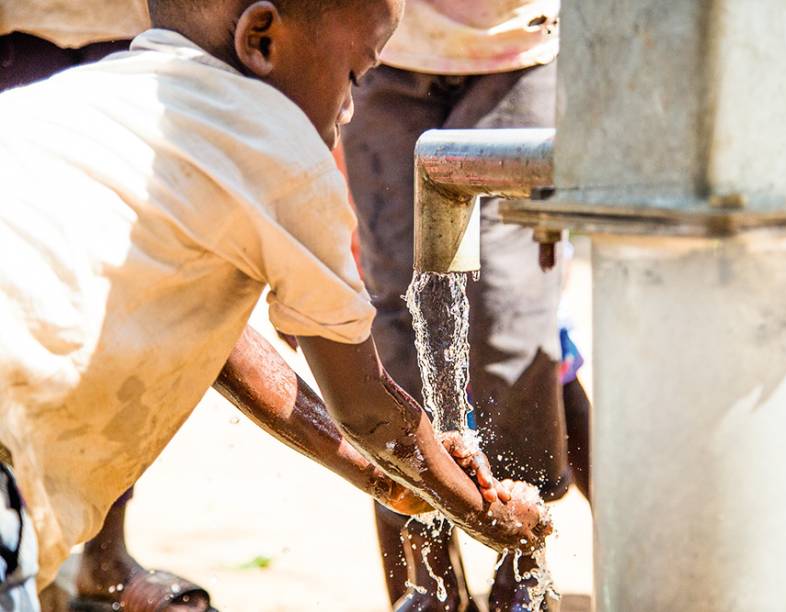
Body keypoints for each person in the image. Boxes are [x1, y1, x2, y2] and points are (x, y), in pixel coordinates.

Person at [0, 0, 552, 609]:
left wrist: (388, 479)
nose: (349, 108)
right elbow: (367, 410)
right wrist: (483, 515)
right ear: (260, 38)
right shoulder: (280, 148)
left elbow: (224, 350)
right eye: (353, 77)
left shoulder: (93, 96)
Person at [341, 1, 589, 609]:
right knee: (397, 320)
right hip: (379, 49)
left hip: (517, 50)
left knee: (509, 313)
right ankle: (428, 572)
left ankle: (522, 559)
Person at [0, 4, 221, 609]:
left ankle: (101, 547)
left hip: (141, 38)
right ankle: (27, 544)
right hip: (21, 34)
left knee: (128, 304)